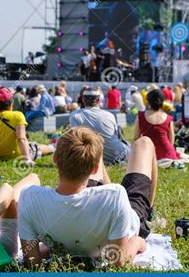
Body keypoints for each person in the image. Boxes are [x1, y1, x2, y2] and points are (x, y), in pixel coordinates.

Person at [19, 127, 158, 267]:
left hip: (89, 200)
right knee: (144, 143)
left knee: (91, 149)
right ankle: (148, 214)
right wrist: (136, 241)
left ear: (55, 159)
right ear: (95, 170)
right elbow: (118, 262)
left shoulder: (28, 197)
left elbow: (32, 262)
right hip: (122, 213)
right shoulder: (116, 195)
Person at [0, 88, 54, 166]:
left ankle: (51, 146)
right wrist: (27, 159)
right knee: (37, 146)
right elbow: (21, 139)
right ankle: (52, 148)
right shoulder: (18, 115)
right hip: (18, 155)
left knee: (32, 144)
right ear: (11, 103)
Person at [70, 88, 129, 165]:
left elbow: (75, 139)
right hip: (117, 155)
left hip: (91, 158)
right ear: (98, 100)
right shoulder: (109, 115)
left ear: (83, 100)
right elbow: (115, 136)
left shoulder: (74, 115)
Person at [134, 89, 177, 160]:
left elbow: (136, 138)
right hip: (168, 154)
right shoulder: (169, 118)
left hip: (148, 154)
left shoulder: (140, 116)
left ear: (148, 102)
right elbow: (171, 140)